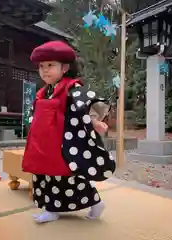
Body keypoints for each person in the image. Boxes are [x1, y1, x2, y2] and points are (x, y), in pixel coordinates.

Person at [22, 40, 116, 223]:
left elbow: (85, 106)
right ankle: (51, 208)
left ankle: (90, 203)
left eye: (50, 65)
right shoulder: (44, 92)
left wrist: (95, 122)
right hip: (43, 144)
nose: (45, 70)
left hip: (61, 144)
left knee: (66, 177)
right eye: (42, 66)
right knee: (44, 174)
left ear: (64, 68)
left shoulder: (71, 88)